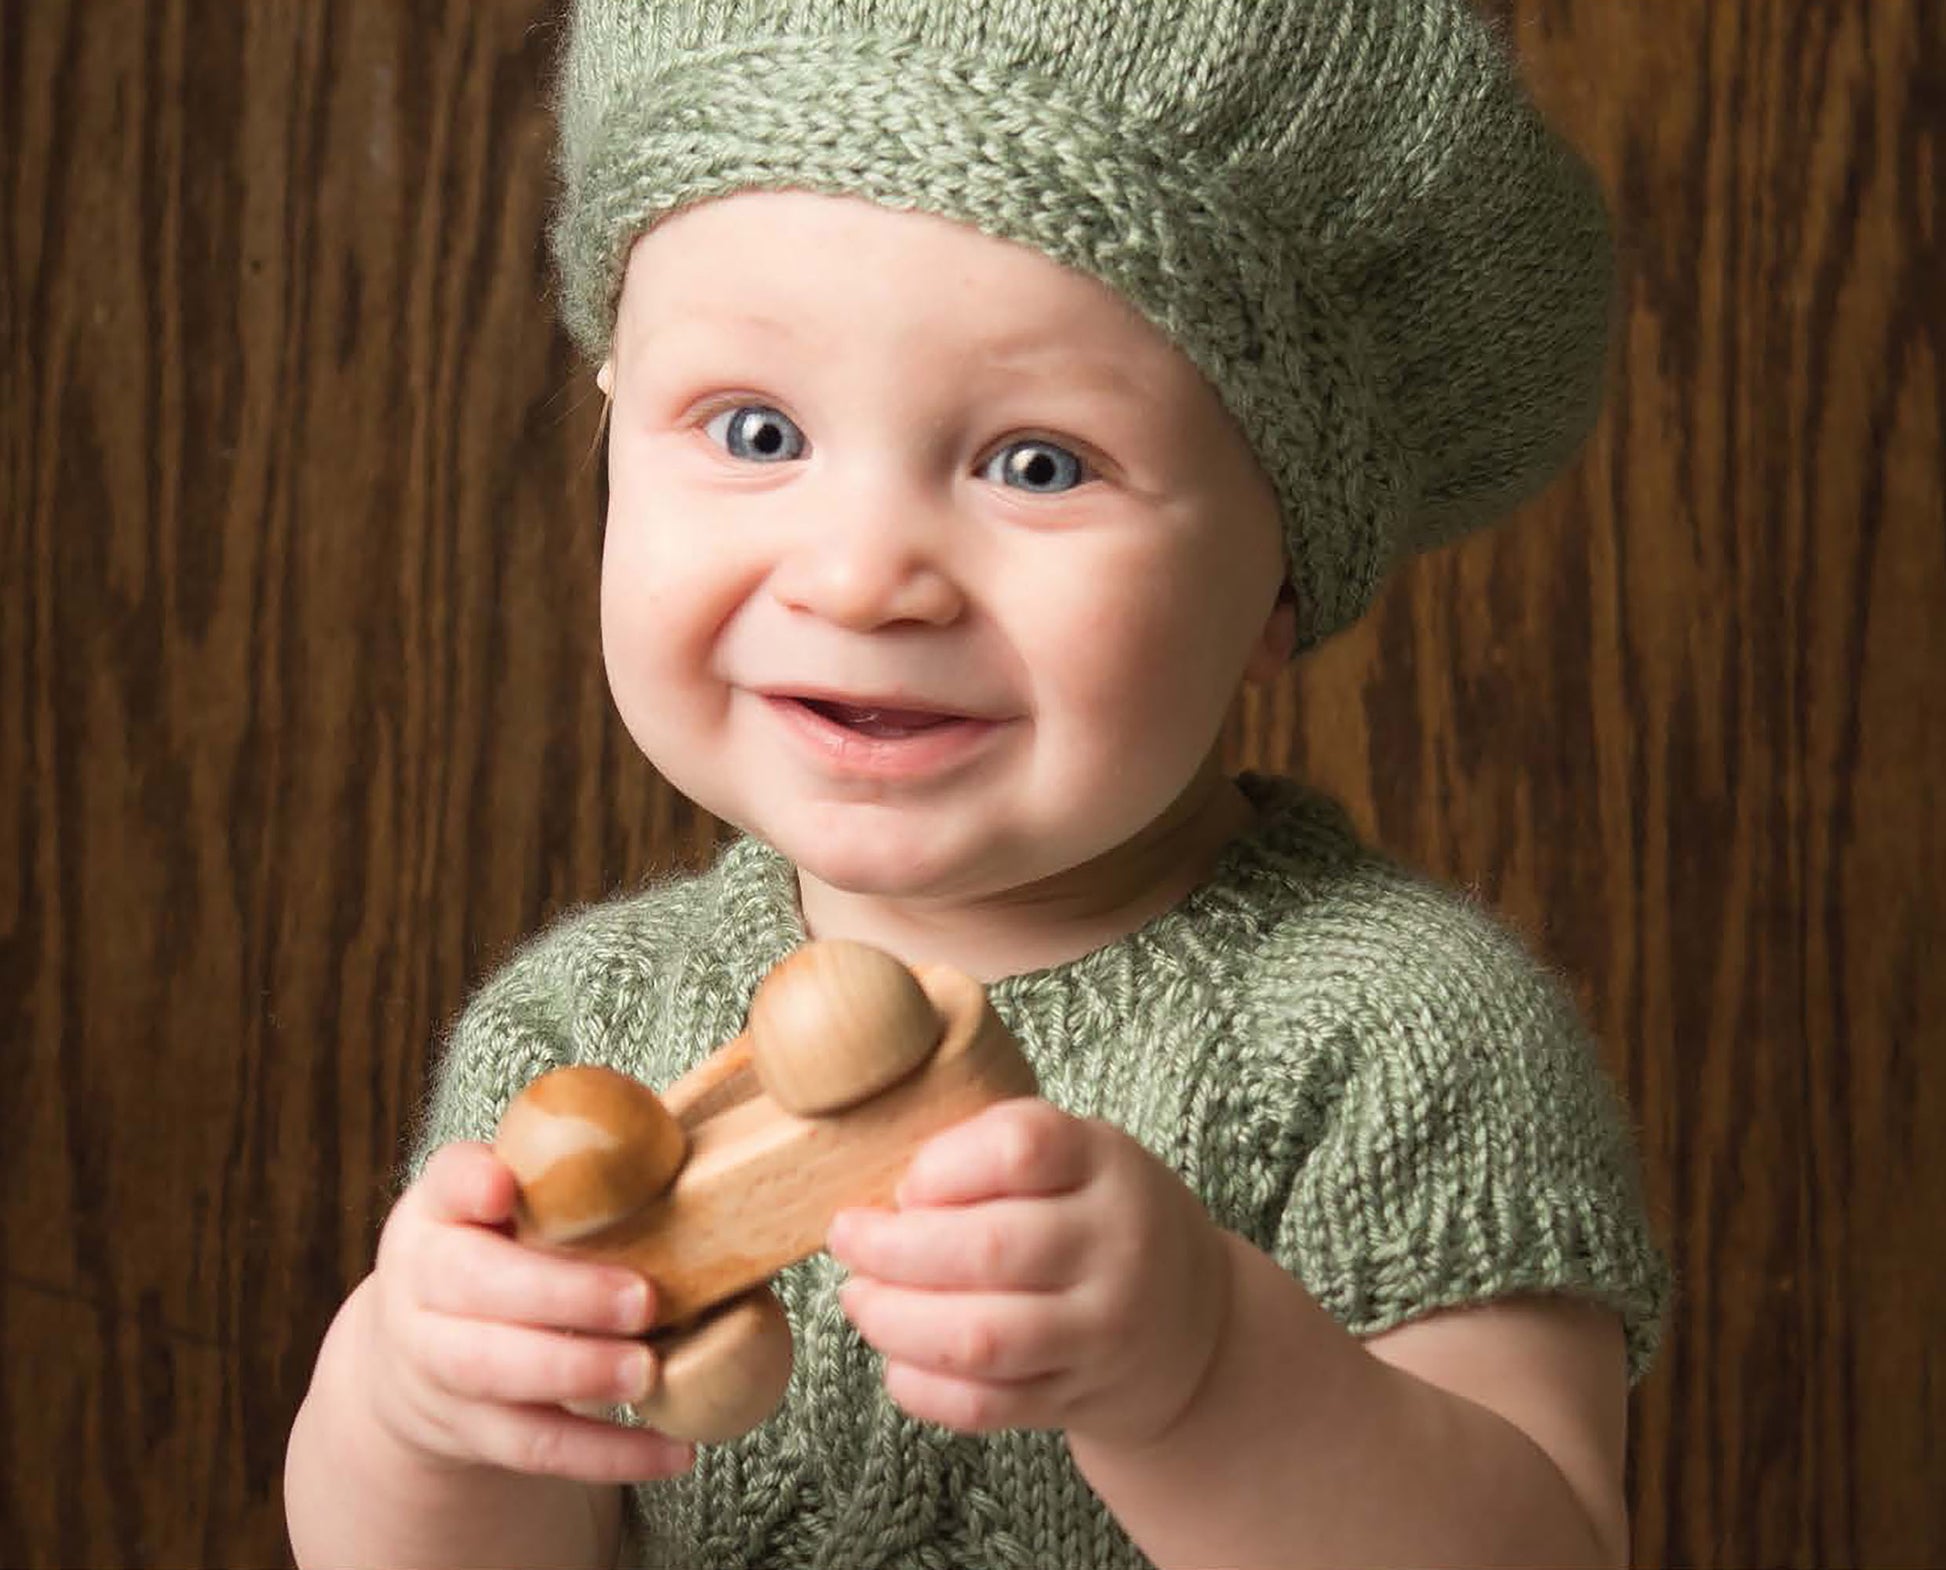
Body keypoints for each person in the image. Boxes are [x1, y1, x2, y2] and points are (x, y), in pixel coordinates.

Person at [285, 1, 1670, 1565]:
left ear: (1282, 569)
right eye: (755, 431)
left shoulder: (1390, 1034)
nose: (865, 576)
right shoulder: (583, 1042)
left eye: (1037, 463)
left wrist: (1206, 1373)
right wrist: (419, 1410)